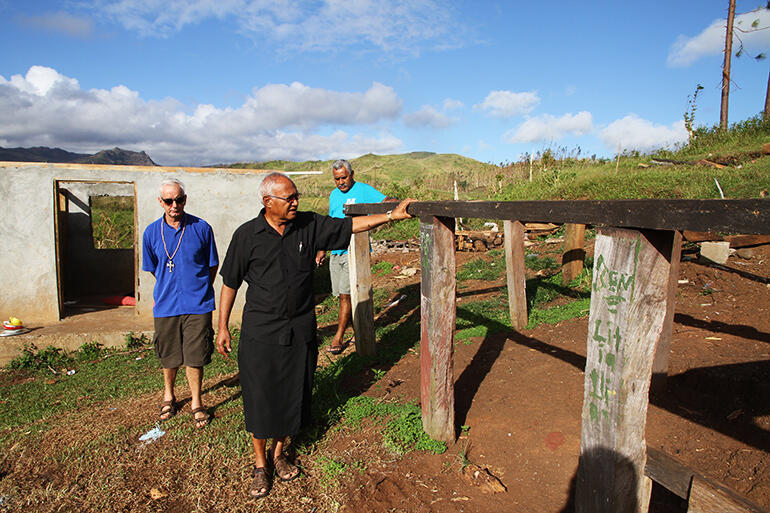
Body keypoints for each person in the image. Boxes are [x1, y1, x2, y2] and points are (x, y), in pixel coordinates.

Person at [216, 172, 414, 499]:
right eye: (289, 198)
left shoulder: (309, 225)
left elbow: (351, 227)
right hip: (261, 332)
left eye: (296, 196)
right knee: (261, 395)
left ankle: (279, 454)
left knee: (294, 390)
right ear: (268, 202)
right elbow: (230, 282)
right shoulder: (247, 236)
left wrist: (393, 214)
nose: (296, 202)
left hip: (300, 328)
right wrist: (222, 326)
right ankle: (259, 464)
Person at [142, 178, 219, 429]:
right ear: (160, 202)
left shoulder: (201, 228)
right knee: (169, 355)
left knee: (195, 356)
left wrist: (198, 289)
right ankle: (169, 396)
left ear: (185, 199)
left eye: (179, 199)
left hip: (198, 303)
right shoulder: (151, 233)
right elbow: (153, 268)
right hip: (166, 304)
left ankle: (197, 401)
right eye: (168, 200)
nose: (174, 205)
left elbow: (212, 265)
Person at [315, 159, 397, 354]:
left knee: (345, 296)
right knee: (342, 296)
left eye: (344, 177)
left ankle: (338, 336)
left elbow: (384, 201)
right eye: (337, 179)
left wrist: (397, 203)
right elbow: (331, 224)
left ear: (352, 175)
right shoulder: (334, 195)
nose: (341, 182)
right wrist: (322, 249)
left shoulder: (362, 190)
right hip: (336, 252)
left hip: (354, 251)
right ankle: (356, 330)